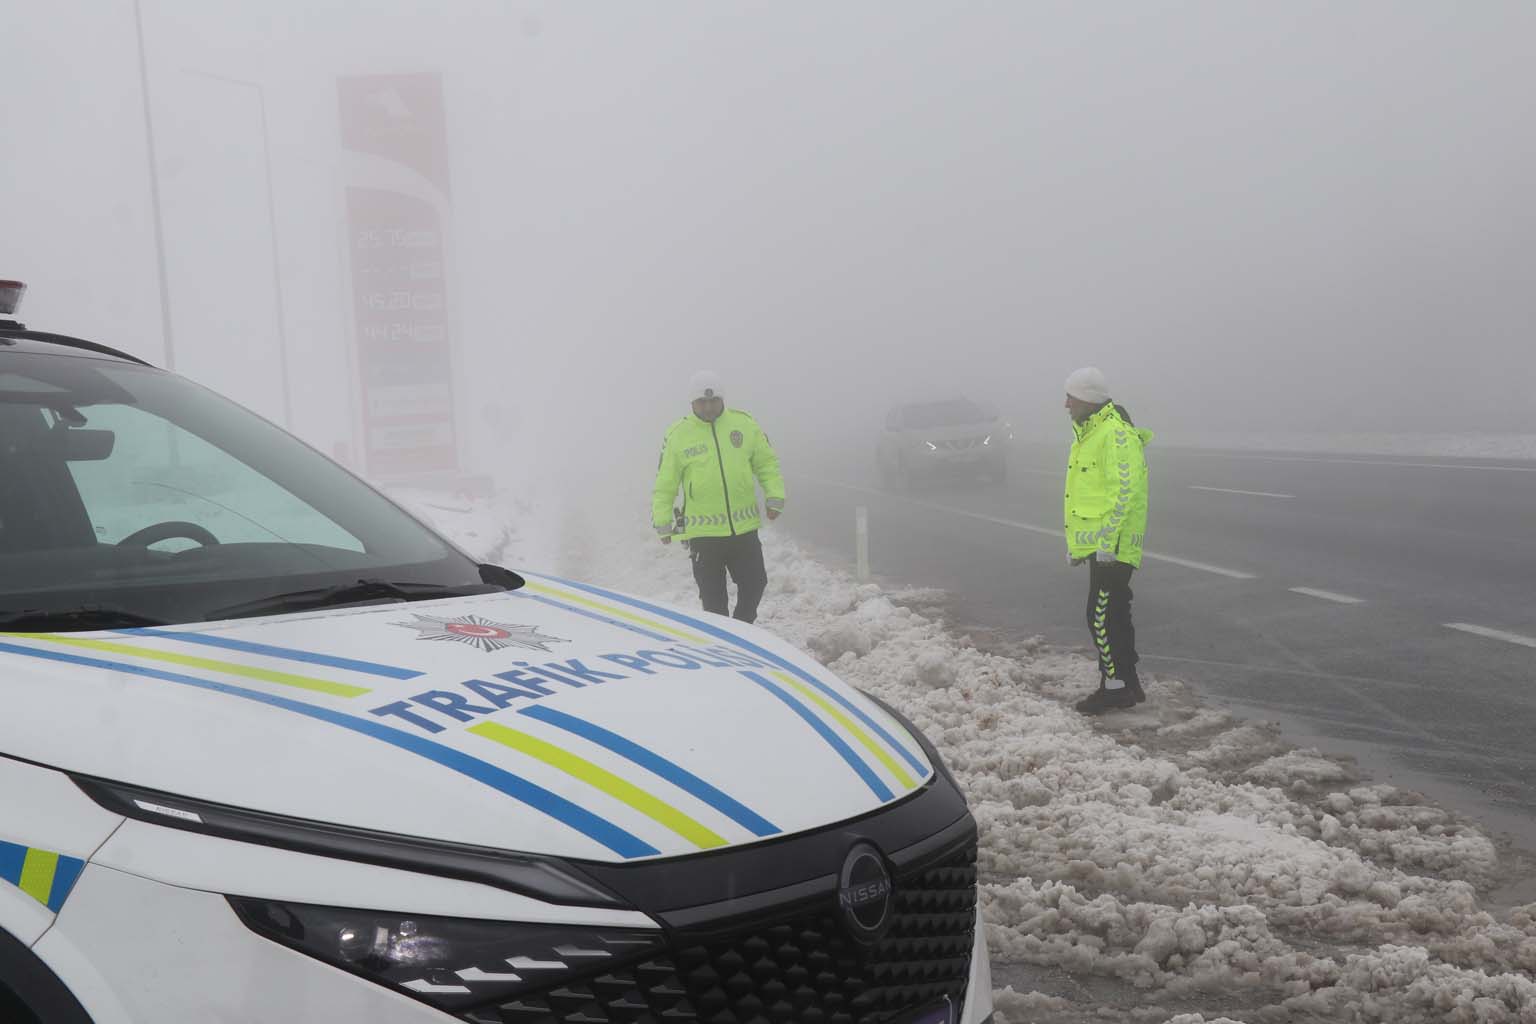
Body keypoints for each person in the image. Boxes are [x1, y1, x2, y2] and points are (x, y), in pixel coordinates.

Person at [652, 371, 786, 623]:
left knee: (756, 583)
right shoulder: (677, 435)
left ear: (723, 400)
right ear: (692, 403)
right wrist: (662, 522)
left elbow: (767, 463)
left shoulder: (744, 425)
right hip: (704, 536)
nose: (709, 407)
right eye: (702, 402)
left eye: (714, 401)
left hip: (743, 530)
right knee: (714, 603)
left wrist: (775, 495)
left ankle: (740, 630)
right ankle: (726, 643)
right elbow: (665, 483)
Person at [1062, 366, 1153, 714]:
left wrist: (1106, 543)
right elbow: (1087, 496)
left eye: (1070, 396)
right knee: (1114, 613)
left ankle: (1114, 688)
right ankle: (1128, 684)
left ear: (1087, 399)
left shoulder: (1114, 435)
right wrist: (1080, 547)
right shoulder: (1090, 433)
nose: (1065, 404)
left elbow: (1124, 492)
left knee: (1099, 616)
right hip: (1102, 547)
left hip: (1112, 548)